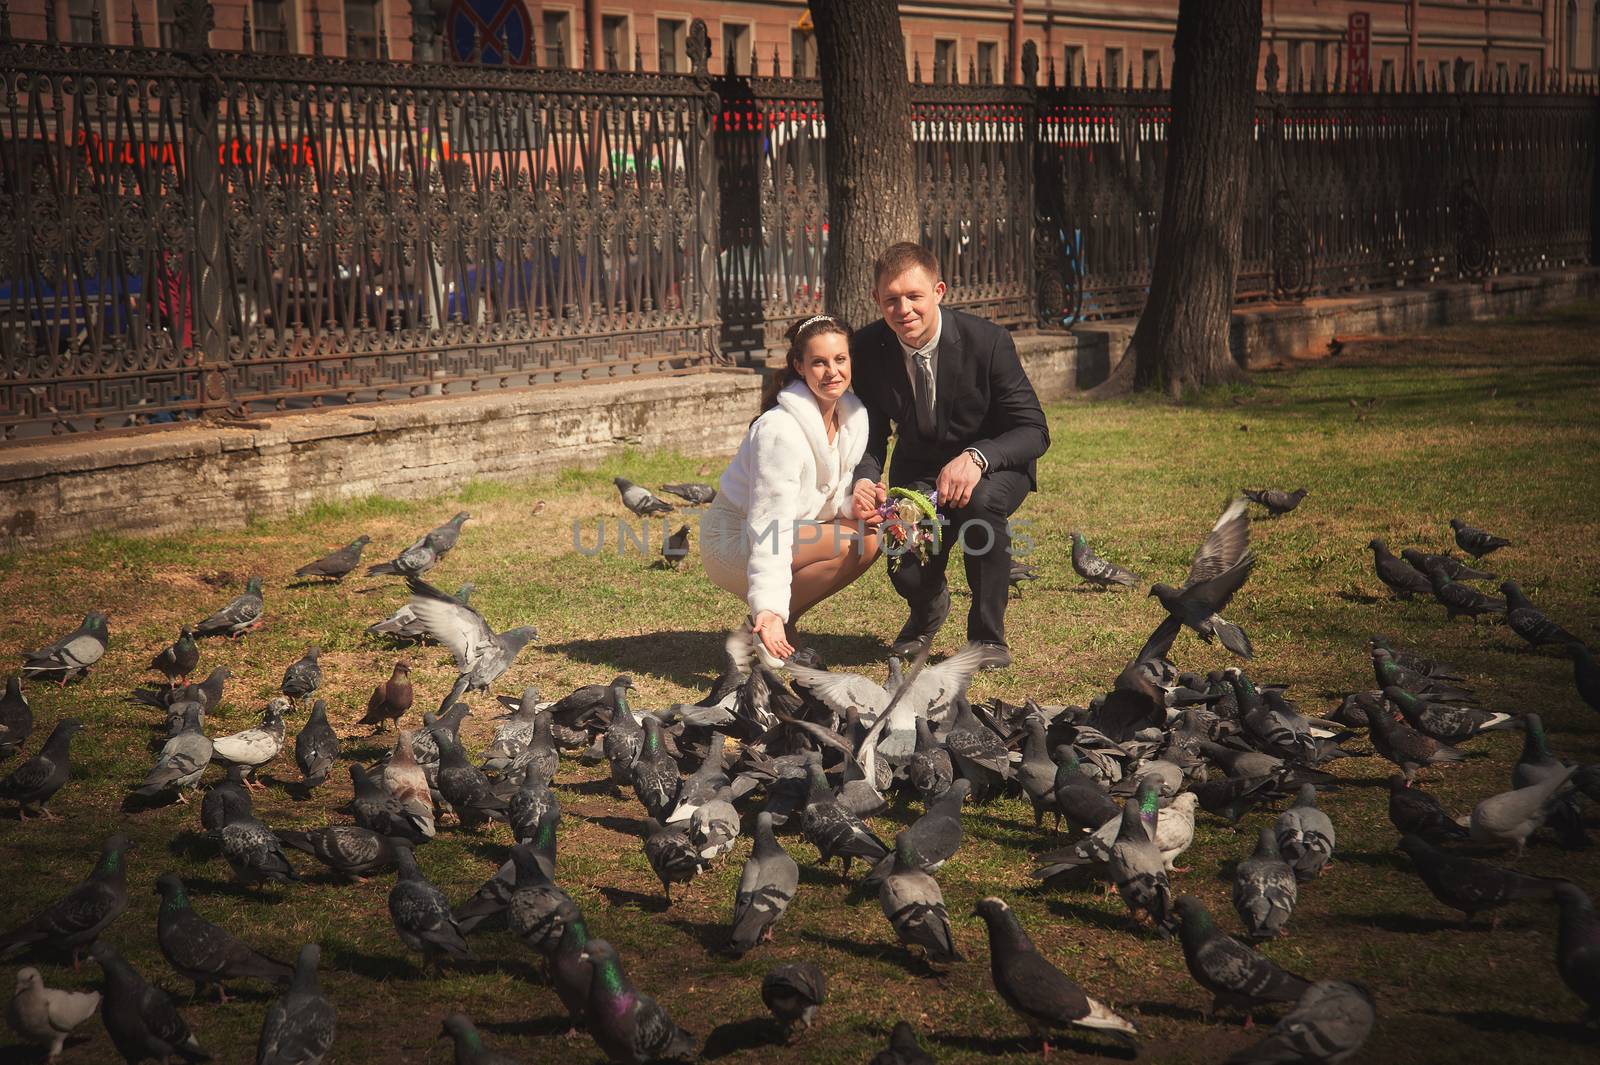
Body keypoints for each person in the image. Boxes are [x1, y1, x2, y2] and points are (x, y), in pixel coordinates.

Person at [848, 242, 1050, 667]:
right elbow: (871, 434)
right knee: (902, 546)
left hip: (994, 462)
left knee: (978, 508)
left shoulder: (988, 341)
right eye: (891, 299)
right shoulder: (865, 349)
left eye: (914, 296)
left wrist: (977, 457)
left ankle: (987, 637)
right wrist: (864, 478)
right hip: (919, 467)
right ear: (876, 300)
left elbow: (1034, 429)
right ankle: (927, 609)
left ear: (938, 291)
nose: (903, 309)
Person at [702, 315, 881, 662]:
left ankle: (770, 623)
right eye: (819, 362)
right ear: (799, 366)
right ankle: (768, 622)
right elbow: (771, 524)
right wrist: (768, 603)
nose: (832, 372)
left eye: (840, 360)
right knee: (850, 540)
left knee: (871, 535)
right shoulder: (779, 431)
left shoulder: (853, 418)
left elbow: (824, 496)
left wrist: (853, 505)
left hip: (793, 530)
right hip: (737, 536)